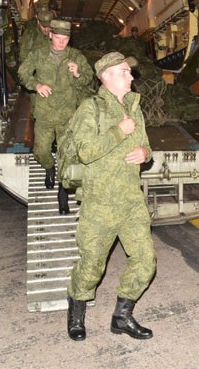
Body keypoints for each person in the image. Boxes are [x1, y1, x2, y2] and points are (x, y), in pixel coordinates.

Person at [65, 52, 156, 342]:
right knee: (92, 265)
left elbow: (146, 146)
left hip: (131, 201)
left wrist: (145, 153)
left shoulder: (134, 108)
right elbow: (85, 151)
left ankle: (122, 317)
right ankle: (76, 312)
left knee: (145, 260)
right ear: (106, 76)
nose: (131, 76)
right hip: (100, 202)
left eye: (130, 71)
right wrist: (119, 131)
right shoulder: (90, 108)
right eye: (124, 71)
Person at [18, 19, 93, 214]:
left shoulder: (75, 56)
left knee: (66, 155)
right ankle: (49, 167)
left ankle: (63, 193)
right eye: (58, 38)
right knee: (40, 151)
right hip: (44, 112)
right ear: (50, 35)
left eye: (65, 39)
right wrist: (36, 85)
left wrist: (78, 74)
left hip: (68, 115)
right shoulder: (38, 53)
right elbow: (23, 73)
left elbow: (89, 78)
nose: (61, 42)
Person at [19, 10, 53, 117]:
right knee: (37, 110)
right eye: (44, 27)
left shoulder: (55, 33)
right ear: (38, 22)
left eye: (49, 26)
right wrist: (34, 81)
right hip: (36, 76)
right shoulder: (30, 35)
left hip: (51, 74)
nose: (47, 29)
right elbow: (24, 58)